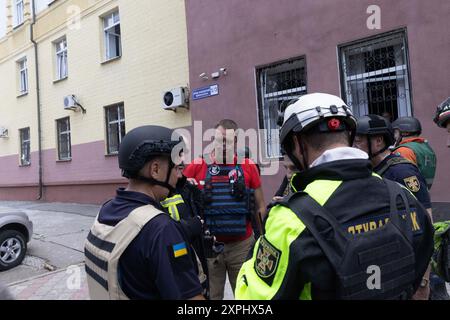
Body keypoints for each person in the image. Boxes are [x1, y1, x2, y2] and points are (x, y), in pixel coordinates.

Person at [235, 93, 434, 300]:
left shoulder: (289, 219)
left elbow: (252, 298)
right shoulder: (403, 197)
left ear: (296, 143)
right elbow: (419, 267)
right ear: (349, 136)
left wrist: (257, 249)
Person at [84, 125, 204, 300]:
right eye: (177, 168)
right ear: (155, 170)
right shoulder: (160, 229)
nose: (180, 176)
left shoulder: (106, 210)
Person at [183, 119, 266, 300]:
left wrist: (263, 238)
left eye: (228, 141)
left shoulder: (248, 166)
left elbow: (260, 205)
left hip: (242, 245)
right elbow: (177, 195)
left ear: (235, 142)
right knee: (212, 296)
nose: (222, 144)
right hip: (209, 247)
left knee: (246, 296)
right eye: (219, 139)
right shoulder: (197, 166)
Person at [354, 115, 433, 215]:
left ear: (378, 141)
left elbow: (425, 213)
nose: (354, 146)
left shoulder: (402, 171)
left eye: (358, 141)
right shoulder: (368, 169)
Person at [392, 117, 436, 189]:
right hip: (423, 192)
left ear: (405, 133)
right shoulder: (427, 148)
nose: (394, 136)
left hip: (408, 195)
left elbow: (403, 177)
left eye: (396, 132)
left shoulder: (404, 150)